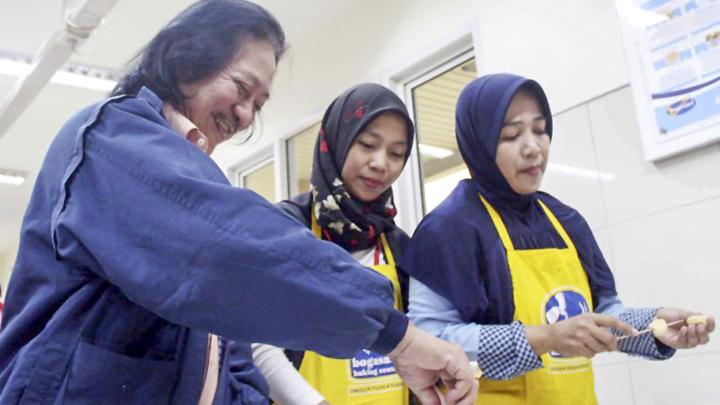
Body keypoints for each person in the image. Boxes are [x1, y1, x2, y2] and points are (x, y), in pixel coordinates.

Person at [0, 1, 477, 404]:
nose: (246, 113)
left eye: (259, 103)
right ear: (187, 63)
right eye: (242, 88)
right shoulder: (111, 139)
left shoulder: (196, 171)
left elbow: (225, 348)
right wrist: (398, 336)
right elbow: (226, 251)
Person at [400, 73, 715, 405]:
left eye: (540, 130)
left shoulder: (565, 221)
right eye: (511, 135)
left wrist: (658, 327)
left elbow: (603, 316)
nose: (533, 147)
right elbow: (429, 341)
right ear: (478, 143)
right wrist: (547, 338)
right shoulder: (448, 229)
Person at [247, 83, 416, 404]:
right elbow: (256, 341)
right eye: (367, 144)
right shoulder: (286, 226)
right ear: (336, 141)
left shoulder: (397, 244)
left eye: (396, 153)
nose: (381, 163)